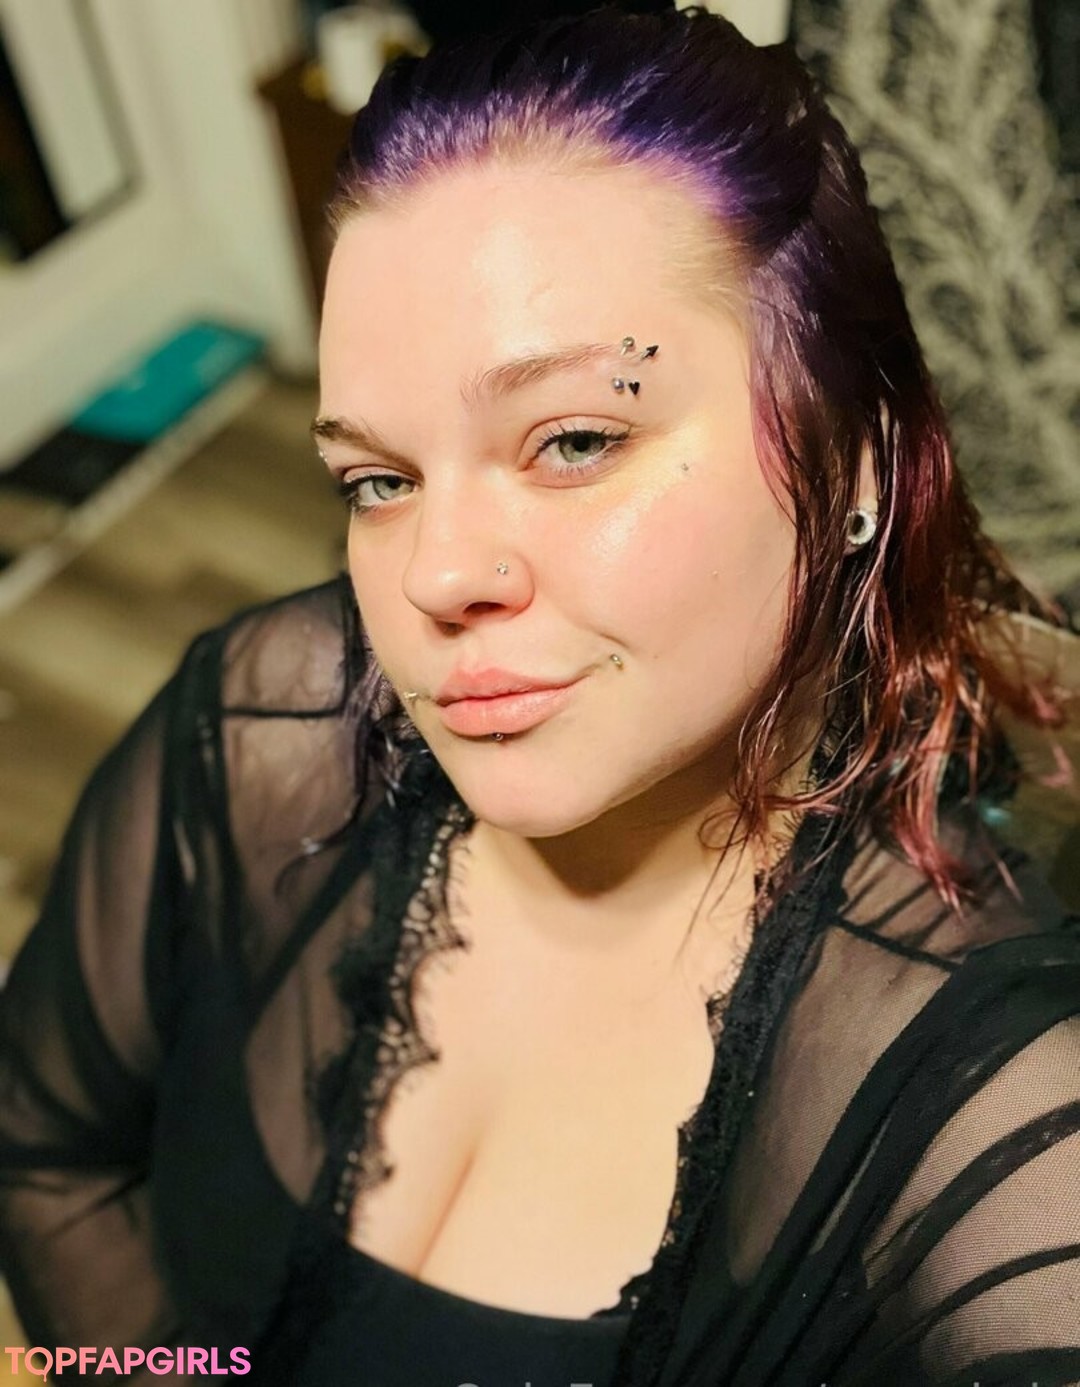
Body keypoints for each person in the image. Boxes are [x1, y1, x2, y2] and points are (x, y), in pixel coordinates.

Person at [1, 4, 1078, 1384]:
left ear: (856, 461)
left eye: (573, 440)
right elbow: (48, 1154)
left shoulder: (1002, 1125)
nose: (435, 574)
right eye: (378, 479)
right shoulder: (267, 723)